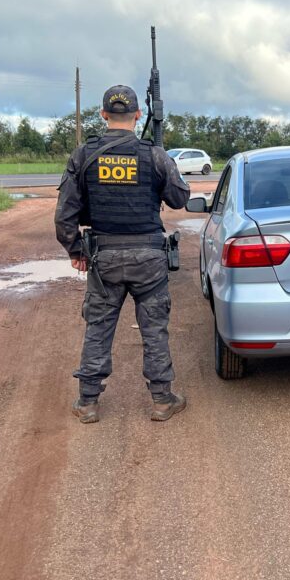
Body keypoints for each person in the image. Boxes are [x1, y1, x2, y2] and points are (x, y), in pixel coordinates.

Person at [55, 85, 190, 423]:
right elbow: (179, 199)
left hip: (104, 258)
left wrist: (75, 250)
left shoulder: (84, 155)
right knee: (154, 329)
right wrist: (164, 160)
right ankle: (162, 400)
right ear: (138, 115)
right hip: (148, 258)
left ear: (103, 115)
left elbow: (65, 214)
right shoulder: (154, 155)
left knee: (98, 327)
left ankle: (87, 403)